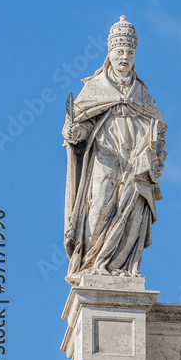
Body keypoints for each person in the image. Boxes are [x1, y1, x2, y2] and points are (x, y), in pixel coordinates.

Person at [63, 16, 167, 283]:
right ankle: (89, 264)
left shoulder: (143, 94)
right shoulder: (95, 87)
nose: (125, 57)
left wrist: (156, 156)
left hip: (135, 163)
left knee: (131, 210)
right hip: (105, 157)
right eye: (119, 51)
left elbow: (159, 128)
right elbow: (82, 124)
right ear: (109, 53)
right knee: (98, 208)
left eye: (130, 52)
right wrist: (75, 132)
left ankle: (118, 266)